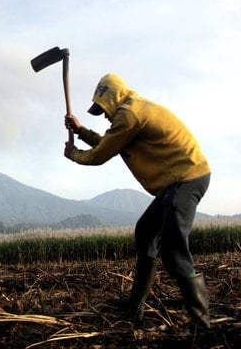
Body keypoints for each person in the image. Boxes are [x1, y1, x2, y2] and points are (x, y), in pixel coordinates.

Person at [64, 73, 211, 328]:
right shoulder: (133, 109)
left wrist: (74, 153)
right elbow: (112, 143)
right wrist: (81, 131)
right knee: (145, 233)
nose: (106, 116)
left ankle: (202, 323)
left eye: (104, 109)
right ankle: (136, 306)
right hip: (177, 182)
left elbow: (101, 154)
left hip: (186, 179)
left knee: (174, 251)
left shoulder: (129, 114)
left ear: (113, 97)